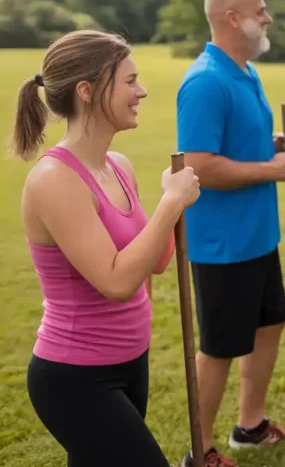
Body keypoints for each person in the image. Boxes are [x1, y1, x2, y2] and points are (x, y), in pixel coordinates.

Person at [13, 29, 200, 466]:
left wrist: (175, 208)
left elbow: (152, 263)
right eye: (130, 81)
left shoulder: (119, 166)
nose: (143, 91)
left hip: (131, 359)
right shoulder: (54, 179)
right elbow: (115, 280)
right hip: (76, 376)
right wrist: (170, 203)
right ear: (88, 90)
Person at [175, 0, 285, 467]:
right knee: (219, 349)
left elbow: (230, 144)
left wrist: (268, 145)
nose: (268, 18)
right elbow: (199, 165)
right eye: (261, 10)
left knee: (270, 323)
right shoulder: (206, 80)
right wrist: (272, 170)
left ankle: (248, 427)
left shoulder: (243, 71)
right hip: (222, 245)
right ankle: (199, 450)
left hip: (257, 236)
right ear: (233, 18)